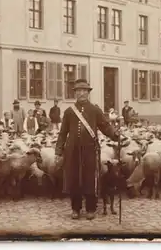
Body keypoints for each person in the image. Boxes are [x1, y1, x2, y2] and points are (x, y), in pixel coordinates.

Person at [55, 78, 125, 221]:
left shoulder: (94, 110)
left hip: (90, 150)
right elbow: (62, 133)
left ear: (88, 93)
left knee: (90, 179)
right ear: (75, 93)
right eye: (78, 91)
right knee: (74, 180)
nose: (81, 93)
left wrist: (114, 134)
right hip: (72, 150)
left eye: (84, 91)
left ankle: (91, 209)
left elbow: (105, 126)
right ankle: (75, 209)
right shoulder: (69, 112)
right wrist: (58, 151)